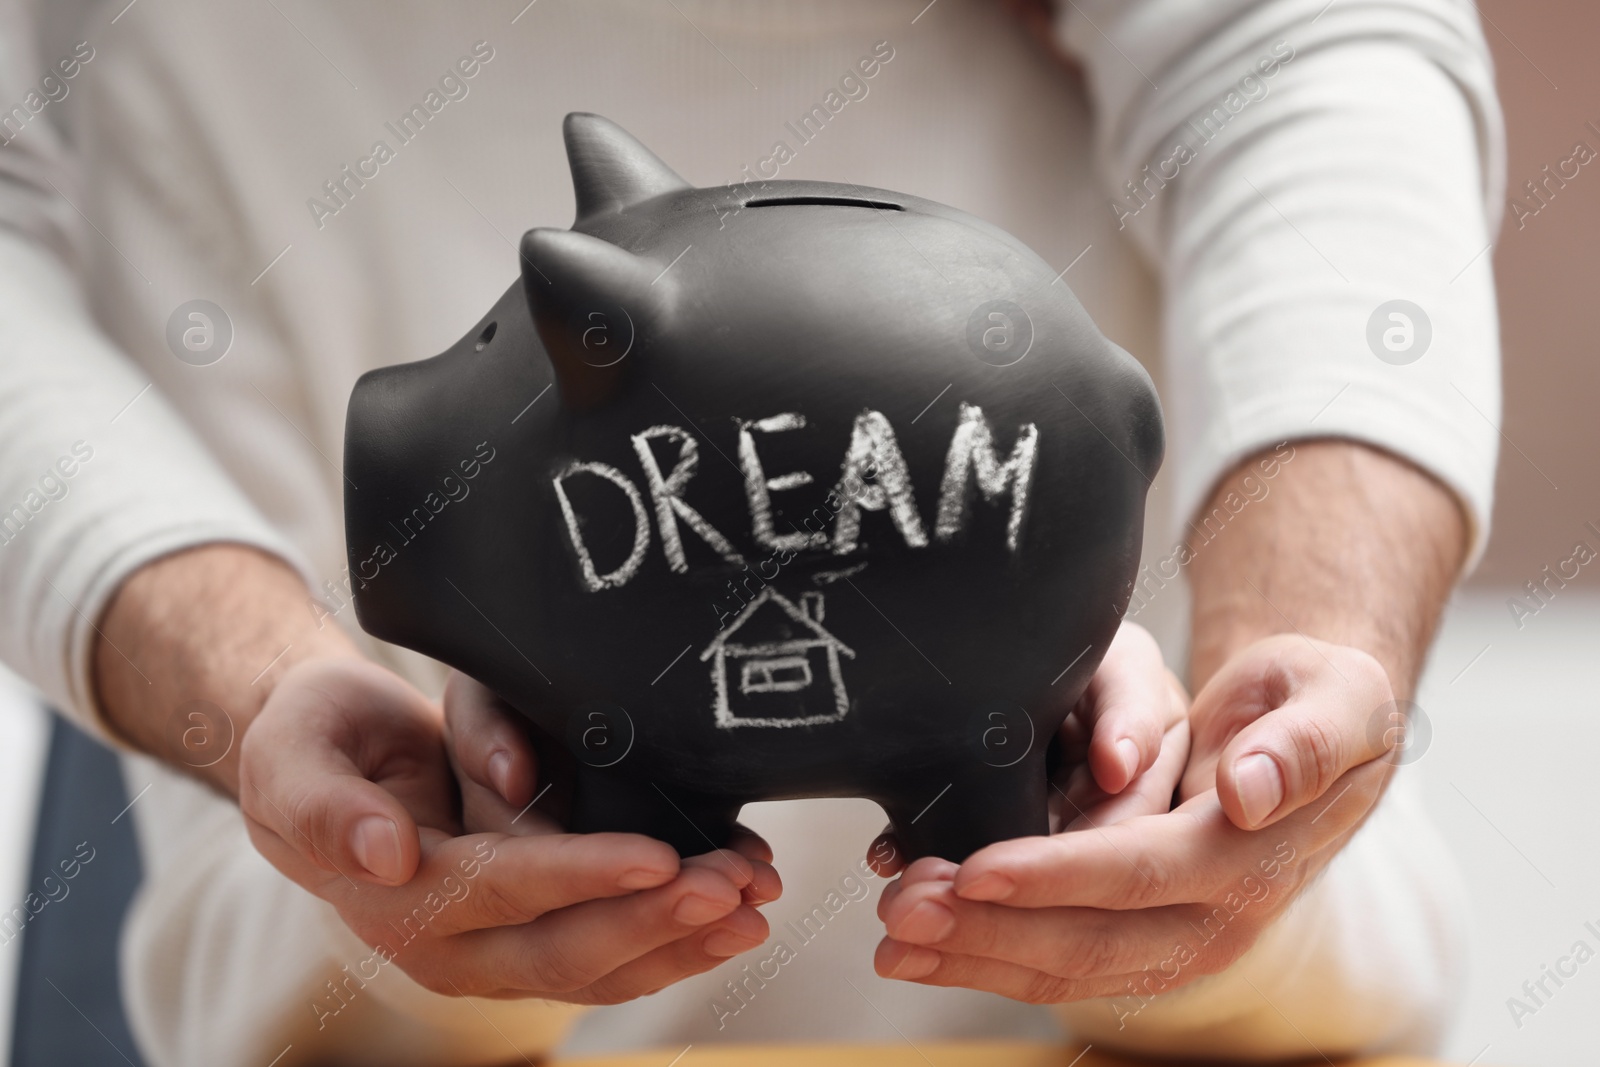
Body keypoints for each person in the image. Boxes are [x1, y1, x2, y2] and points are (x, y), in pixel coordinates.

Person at [0, 0, 1500, 1063]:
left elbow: (1302, 40)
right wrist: (225, 655)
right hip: (212, 657)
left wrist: (1298, 658)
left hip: (1137, 890)